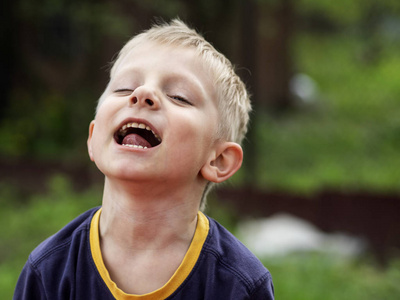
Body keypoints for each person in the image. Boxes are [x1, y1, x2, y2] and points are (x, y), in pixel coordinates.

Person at [14, 19, 274, 299]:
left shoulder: (239, 285)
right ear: (92, 138)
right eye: (124, 88)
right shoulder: (49, 271)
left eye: (179, 96)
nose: (142, 94)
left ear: (219, 160)